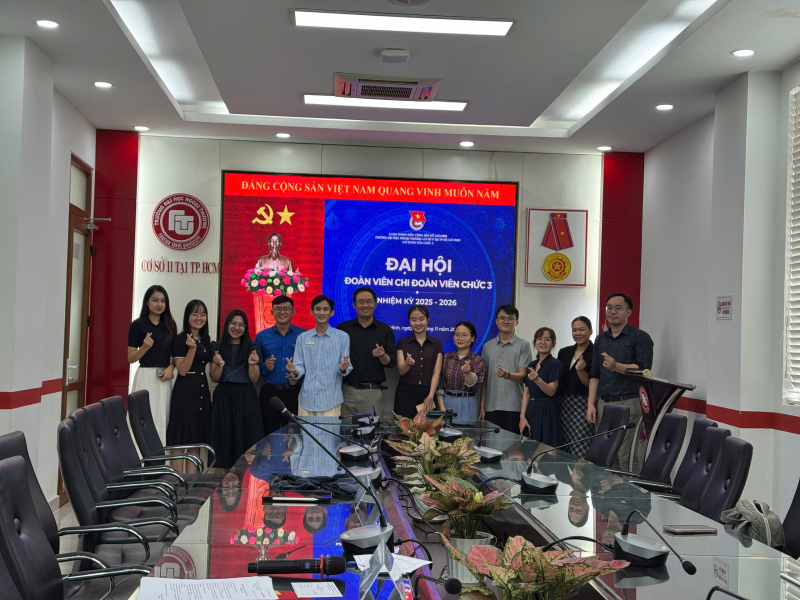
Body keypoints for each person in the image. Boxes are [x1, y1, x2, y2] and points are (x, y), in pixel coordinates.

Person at [587, 292, 654, 472]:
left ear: (629, 312)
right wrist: (591, 405)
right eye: (609, 307)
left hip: (628, 402)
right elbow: (594, 374)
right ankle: (607, 491)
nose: (612, 311)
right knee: (605, 455)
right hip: (603, 404)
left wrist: (616, 366)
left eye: (618, 308)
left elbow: (644, 370)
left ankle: (629, 489)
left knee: (627, 457)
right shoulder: (600, 339)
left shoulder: (640, 337)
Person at [209, 310, 265, 468]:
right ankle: (224, 482)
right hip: (223, 397)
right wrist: (220, 364)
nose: (236, 327)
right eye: (233, 323)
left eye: (241, 324)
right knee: (223, 443)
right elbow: (214, 377)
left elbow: (254, 379)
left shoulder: (253, 347)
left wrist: (252, 364)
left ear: (245, 328)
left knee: (248, 442)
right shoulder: (217, 347)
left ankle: (247, 481)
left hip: (246, 397)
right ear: (227, 325)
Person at [286, 295, 352, 417]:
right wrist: (295, 370)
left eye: (325, 309)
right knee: (305, 430)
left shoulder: (342, 337)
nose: (321, 312)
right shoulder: (302, 338)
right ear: (312, 312)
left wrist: (343, 368)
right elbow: (299, 366)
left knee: (330, 430)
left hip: (331, 400)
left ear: (331, 313)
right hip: (306, 399)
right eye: (318, 309)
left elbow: (346, 366)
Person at [127, 285, 177, 442]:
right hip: (145, 376)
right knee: (141, 416)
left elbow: (176, 356)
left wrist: (171, 367)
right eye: (155, 300)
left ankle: (161, 455)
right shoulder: (138, 325)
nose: (159, 304)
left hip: (164, 377)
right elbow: (131, 358)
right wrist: (144, 348)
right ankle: (138, 455)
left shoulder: (170, 324)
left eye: (163, 301)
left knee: (162, 416)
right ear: (147, 302)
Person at [337, 286, 396, 418]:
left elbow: (391, 362)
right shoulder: (343, 328)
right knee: (345, 429)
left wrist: (382, 356)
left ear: (375, 304)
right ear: (354, 305)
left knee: (370, 430)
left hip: (372, 393)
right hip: (346, 391)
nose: (365, 305)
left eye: (369, 301)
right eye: (361, 301)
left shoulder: (385, 330)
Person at [166, 300, 212, 469]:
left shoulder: (206, 339)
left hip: (202, 393)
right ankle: (178, 481)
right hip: (184, 394)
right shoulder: (179, 339)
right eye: (195, 314)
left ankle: (192, 483)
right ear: (187, 316)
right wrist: (192, 349)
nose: (199, 318)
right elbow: (183, 370)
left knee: (195, 440)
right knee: (179, 440)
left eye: (203, 314)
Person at [254, 295, 305, 434]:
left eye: (286, 309)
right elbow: (254, 366)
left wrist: (298, 377)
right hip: (270, 393)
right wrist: (265, 367)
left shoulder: (303, 335)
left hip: (295, 393)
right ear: (272, 312)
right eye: (278, 309)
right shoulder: (261, 337)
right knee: (269, 434)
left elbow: (310, 365)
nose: (282, 312)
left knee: (294, 436)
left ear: (293, 311)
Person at [479, 305, 533, 433]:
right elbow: (485, 380)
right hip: (491, 407)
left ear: (516, 322)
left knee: (512, 444)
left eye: (510, 318)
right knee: (491, 444)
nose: (506, 321)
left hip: (514, 407)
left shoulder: (523, 345)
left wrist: (507, 375)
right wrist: (482, 406)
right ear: (496, 321)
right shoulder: (487, 346)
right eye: (502, 318)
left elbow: (524, 376)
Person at [556, 316, 596, 458]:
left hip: (583, 404)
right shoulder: (564, 352)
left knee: (581, 445)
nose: (578, 333)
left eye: (582, 329)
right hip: (563, 404)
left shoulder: (596, 353)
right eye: (574, 330)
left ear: (590, 331)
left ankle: (580, 473)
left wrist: (581, 370)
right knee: (563, 446)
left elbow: (590, 383)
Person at [395, 305, 443, 418]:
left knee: (427, 427)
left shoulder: (436, 344)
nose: (418, 323)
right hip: (405, 393)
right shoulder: (403, 343)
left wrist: (430, 396)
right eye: (413, 319)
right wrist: (407, 364)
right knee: (403, 427)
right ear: (409, 321)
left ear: (427, 320)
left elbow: (436, 372)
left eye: (421, 319)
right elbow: (401, 371)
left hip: (427, 394)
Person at [519, 327, 564, 446]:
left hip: (548, 409)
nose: (543, 342)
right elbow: (526, 392)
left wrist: (538, 380)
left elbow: (551, 391)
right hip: (531, 409)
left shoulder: (555, 364)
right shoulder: (531, 364)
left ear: (553, 343)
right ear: (535, 342)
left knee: (546, 447)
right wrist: (522, 417)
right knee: (529, 447)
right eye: (539, 339)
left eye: (547, 339)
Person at [435, 321, 486, 424]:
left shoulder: (478, 360)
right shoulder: (446, 358)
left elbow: (472, 382)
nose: (460, 338)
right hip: (447, 402)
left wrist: (467, 373)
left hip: (468, 402)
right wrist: (442, 407)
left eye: (464, 335)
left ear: (473, 338)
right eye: (457, 335)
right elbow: (440, 385)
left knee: (467, 433)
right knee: (445, 432)